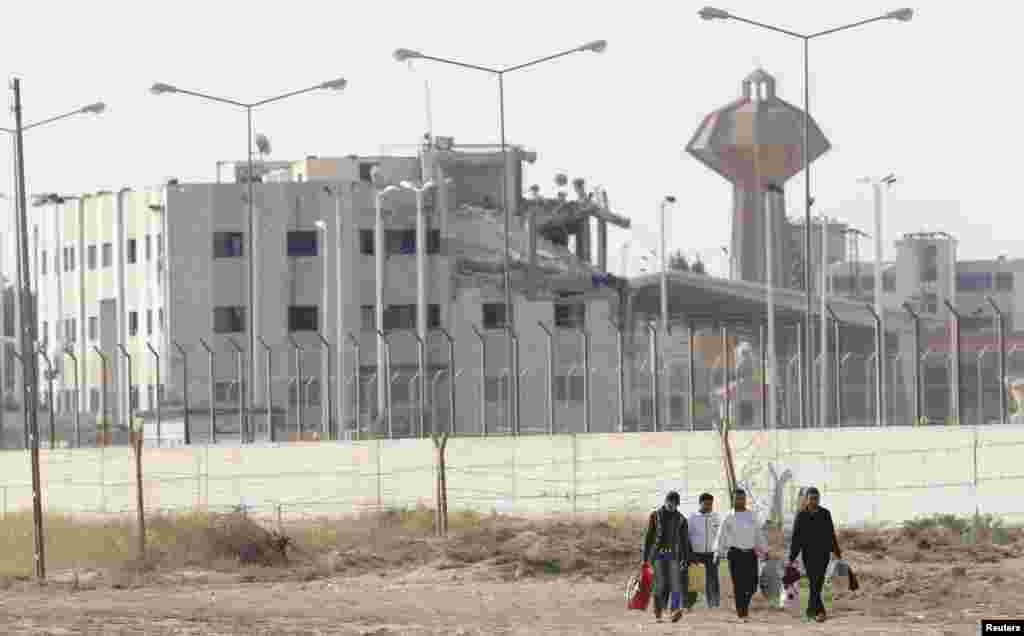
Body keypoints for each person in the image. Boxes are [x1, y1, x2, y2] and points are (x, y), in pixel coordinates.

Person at [786, 486, 842, 623]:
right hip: (808, 554)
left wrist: (836, 551)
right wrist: (792, 557)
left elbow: (831, 534)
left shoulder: (825, 514)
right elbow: (796, 537)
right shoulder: (801, 515)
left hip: (823, 554)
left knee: (818, 582)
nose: (813, 501)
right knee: (814, 581)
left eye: (816, 499)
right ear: (806, 499)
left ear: (819, 499)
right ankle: (820, 612)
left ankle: (811, 610)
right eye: (811, 498)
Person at [714, 488, 768, 621]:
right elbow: (720, 536)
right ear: (733, 499)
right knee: (739, 585)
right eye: (737, 498)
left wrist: (765, 550)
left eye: (742, 498)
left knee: (752, 585)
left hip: (750, 554)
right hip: (735, 554)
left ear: (745, 499)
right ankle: (742, 613)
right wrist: (717, 552)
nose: (740, 501)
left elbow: (758, 534)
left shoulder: (752, 515)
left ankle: (744, 608)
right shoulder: (728, 517)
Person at [641, 491, 693, 623]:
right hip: (657, 555)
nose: (672, 505)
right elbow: (649, 538)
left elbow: (685, 541)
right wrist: (645, 559)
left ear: (678, 504)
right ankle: (658, 613)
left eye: (675, 503)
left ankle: (674, 611)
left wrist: (686, 559)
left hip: (674, 556)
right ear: (666, 501)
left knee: (676, 585)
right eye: (670, 502)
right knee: (660, 585)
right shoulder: (655, 515)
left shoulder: (681, 519)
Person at [685, 493, 721, 609]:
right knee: (694, 580)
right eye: (706, 504)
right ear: (700, 503)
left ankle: (714, 604)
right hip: (696, 554)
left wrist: (718, 552)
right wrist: (689, 554)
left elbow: (719, 537)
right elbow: (687, 536)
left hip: (711, 554)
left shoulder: (716, 517)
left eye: (710, 504)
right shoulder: (692, 518)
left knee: (713, 579)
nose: (709, 506)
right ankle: (689, 604)